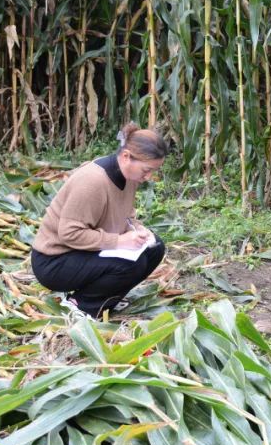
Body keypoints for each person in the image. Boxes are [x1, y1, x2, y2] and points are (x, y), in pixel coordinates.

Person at [31, 122, 168, 318]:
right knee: (130, 265)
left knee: (155, 248)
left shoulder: (129, 177)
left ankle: (107, 301)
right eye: (146, 170)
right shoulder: (92, 181)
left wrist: (137, 229)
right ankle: (81, 305)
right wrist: (119, 241)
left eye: (153, 171)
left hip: (85, 251)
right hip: (55, 260)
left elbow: (126, 214)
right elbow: (70, 233)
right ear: (126, 156)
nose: (148, 176)